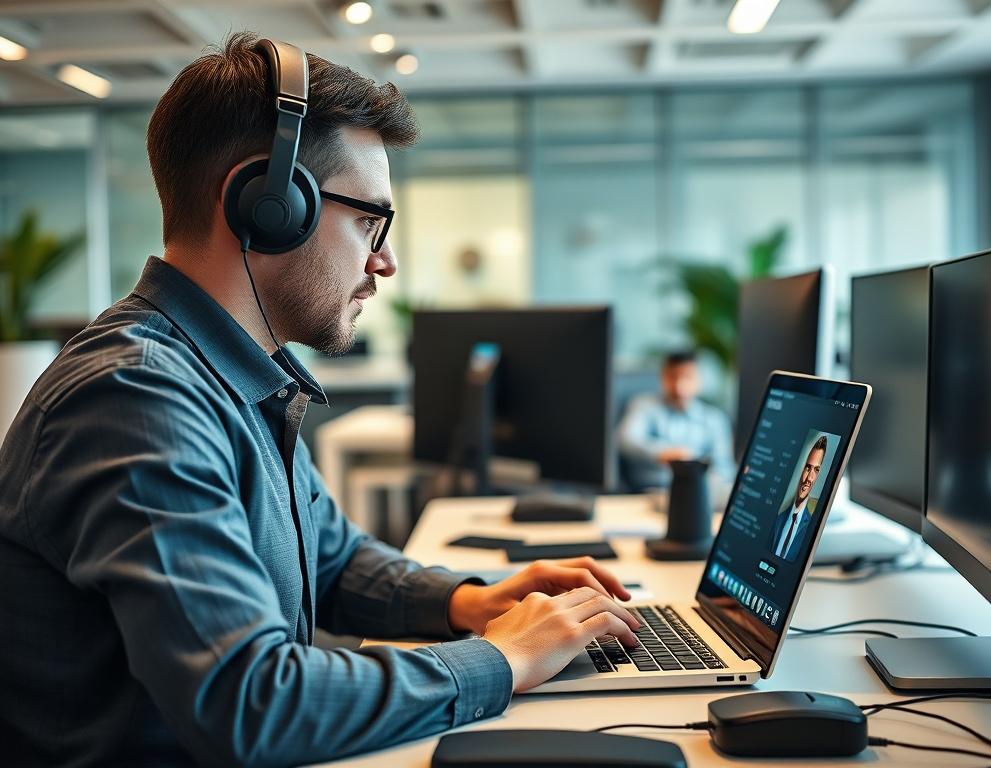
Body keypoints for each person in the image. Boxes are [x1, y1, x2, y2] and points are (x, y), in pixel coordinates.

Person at [0, 34, 643, 767]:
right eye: (370, 221)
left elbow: (330, 558)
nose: (387, 261)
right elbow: (250, 704)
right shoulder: (136, 398)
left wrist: (469, 602)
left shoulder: (236, 373)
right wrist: (502, 661)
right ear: (267, 206)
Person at [617, 350, 736, 490]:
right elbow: (625, 439)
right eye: (673, 377)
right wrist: (662, 453)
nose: (680, 385)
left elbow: (723, 468)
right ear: (663, 378)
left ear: (700, 380)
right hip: (650, 491)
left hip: (696, 492)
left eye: (687, 377)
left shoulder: (715, 419)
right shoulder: (644, 405)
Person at [769, 434, 828, 561]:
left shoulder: (811, 528)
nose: (809, 479)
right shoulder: (777, 519)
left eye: (816, 470)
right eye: (808, 468)